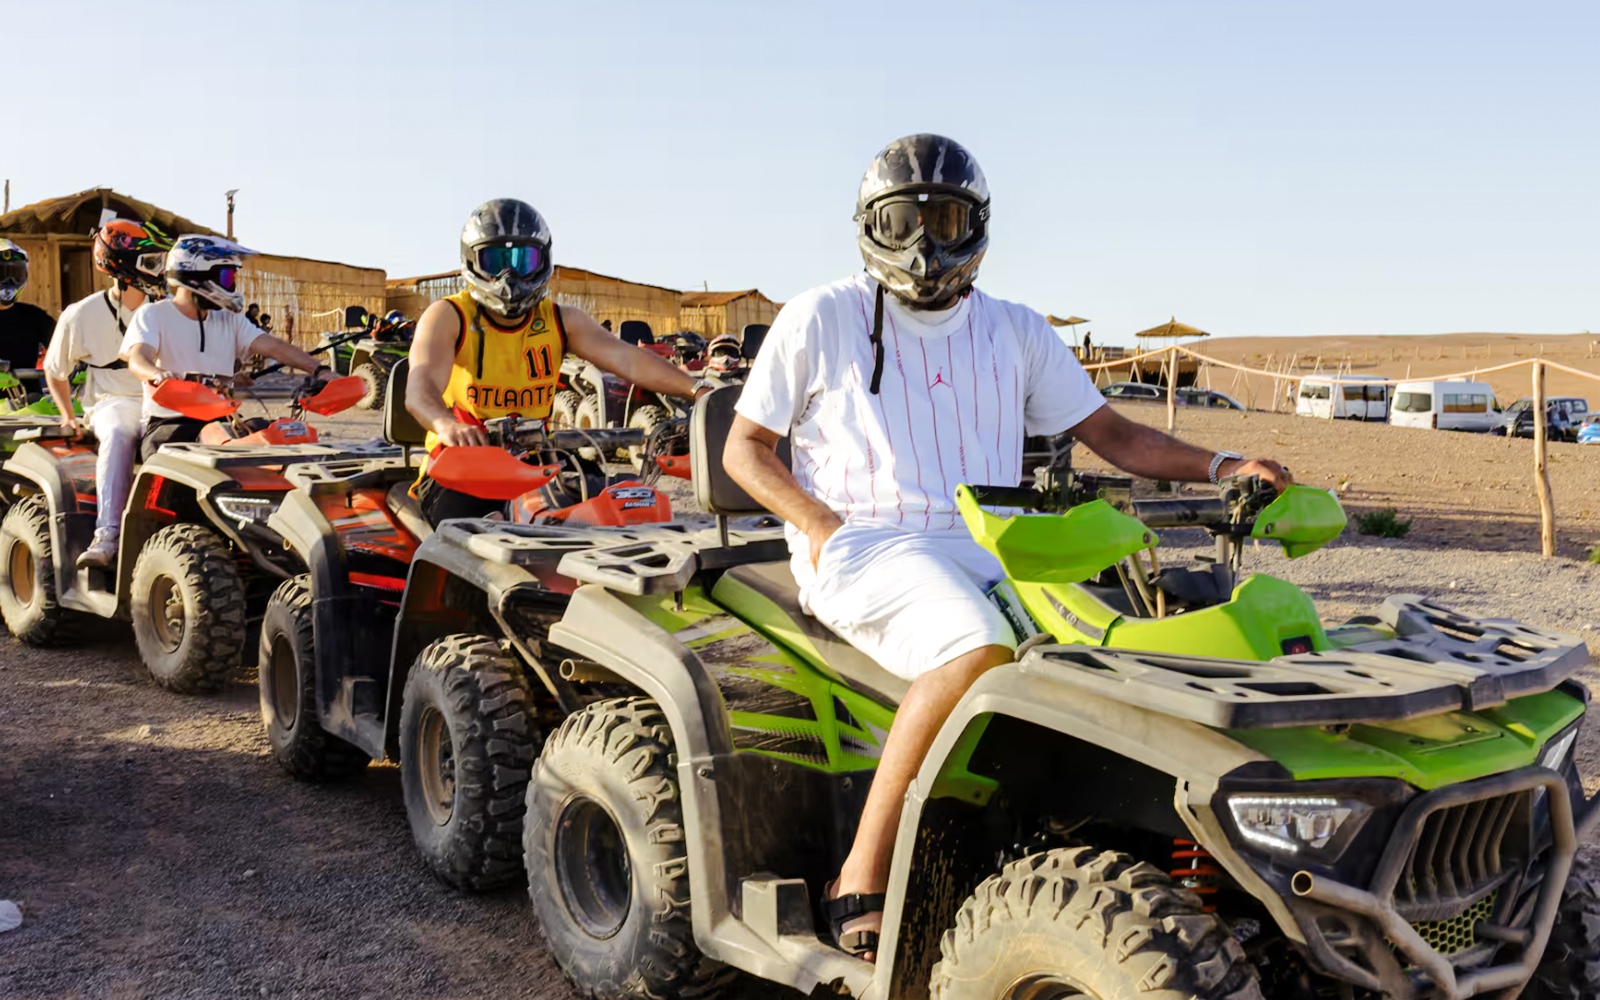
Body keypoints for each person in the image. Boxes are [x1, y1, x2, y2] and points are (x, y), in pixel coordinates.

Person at [722, 134, 1292, 960]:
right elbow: (747, 450)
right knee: (977, 645)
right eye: (905, 221)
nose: (925, 244)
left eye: (945, 219)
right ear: (870, 228)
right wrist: (819, 527)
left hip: (996, 549)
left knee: (1114, 651)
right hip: (864, 546)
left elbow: (1113, 435)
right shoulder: (821, 315)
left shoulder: (1016, 331)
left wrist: (1223, 463)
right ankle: (862, 870)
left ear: (976, 226)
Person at [407, 198, 711, 526]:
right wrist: (446, 424)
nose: (509, 275)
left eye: (523, 259)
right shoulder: (449, 316)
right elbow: (420, 388)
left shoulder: (561, 320)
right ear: (472, 260)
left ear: (543, 260)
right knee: (474, 538)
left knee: (626, 508)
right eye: (495, 260)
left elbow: (629, 360)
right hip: (461, 467)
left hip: (540, 460)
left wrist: (698, 389)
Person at [123, 235, 336, 459]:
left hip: (221, 421)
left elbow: (274, 347)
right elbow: (137, 358)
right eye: (226, 276)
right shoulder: (154, 314)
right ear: (196, 275)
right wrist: (155, 373)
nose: (231, 284)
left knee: (286, 437)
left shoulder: (229, 319)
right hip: (170, 423)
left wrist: (320, 371)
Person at [43, 221, 175, 568]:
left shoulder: (169, 310)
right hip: (113, 402)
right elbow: (55, 371)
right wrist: (69, 416)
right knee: (118, 433)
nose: (159, 270)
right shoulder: (79, 314)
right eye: (150, 262)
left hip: (167, 399)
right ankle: (108, 534)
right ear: (120, 266)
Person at [0, 240, 56, 372]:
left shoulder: (35, 317)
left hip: (30, 392)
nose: (9, 282)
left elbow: (67, 350)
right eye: (1, 275)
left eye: (15, 275)